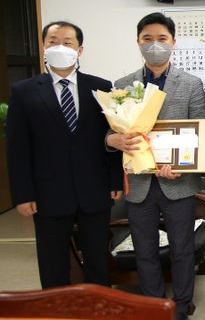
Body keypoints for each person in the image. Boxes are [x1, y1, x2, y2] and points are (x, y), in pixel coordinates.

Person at [106, 12, 205, 320]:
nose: (154, 45)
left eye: (161, 39)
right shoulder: (122, 86)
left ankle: (180, 309)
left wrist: (182, 166)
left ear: (173, 42)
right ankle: (155, 309)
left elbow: (199, 133)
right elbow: (111, 132)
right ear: (138, 42)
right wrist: (113, 139)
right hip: (139, 185)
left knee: (182, 250)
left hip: (178, 183)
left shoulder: (191, 84)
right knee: (145, 250)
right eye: (147, 39)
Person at [6, 21, 123, 289]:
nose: (60, 47)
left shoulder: (100, 87)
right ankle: (56, 308)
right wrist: (23, 195)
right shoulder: (24, 91)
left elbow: (111, 137)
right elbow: (17, 149)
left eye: (67, 42)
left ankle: (98, 307)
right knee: (52, 263)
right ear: (43, 47)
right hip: (48, 193)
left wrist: (115, 179)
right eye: (53, 41)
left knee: (98, 259)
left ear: (80, 50)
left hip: (95, 189)